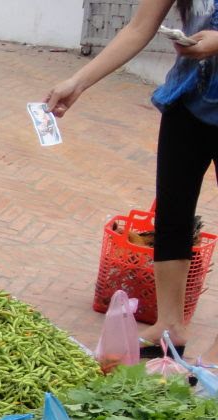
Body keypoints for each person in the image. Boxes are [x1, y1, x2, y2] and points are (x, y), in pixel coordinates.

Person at [47, 0, 216, 357]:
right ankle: (169, 326)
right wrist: (78, 81)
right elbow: (138, 27)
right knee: (172, 216)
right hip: (188, 99)